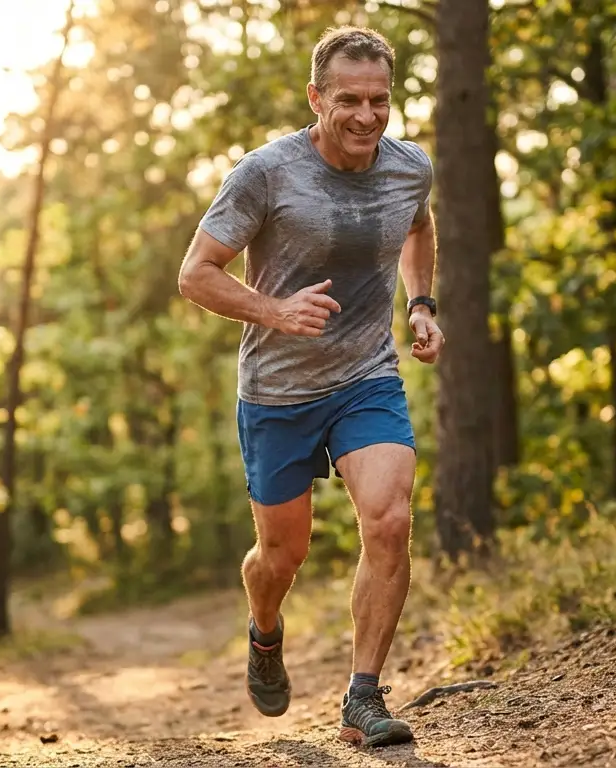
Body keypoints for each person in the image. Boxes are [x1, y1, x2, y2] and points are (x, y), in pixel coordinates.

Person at [176, 25, 442, 748]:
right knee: (281, 557)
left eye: (380, 100)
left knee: (388, 521)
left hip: (367, 377)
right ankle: (265, 631)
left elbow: (418, 229)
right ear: (315, 98)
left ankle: (363, 696)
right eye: (349, 99)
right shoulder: (266, 173)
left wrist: (421, 305)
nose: (366, 116)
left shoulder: (408, 167)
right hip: (277, 391)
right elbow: (194, 273)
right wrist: (274, 309)